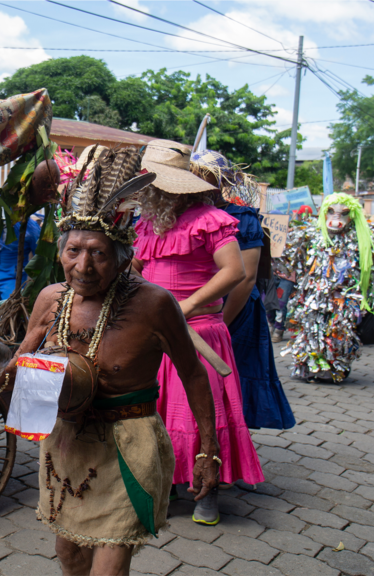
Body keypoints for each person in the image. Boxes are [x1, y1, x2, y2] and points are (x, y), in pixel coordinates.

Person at [0, 144, 220, 576]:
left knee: (109, 568)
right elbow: (19, 363)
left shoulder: (154, 305)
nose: (83, 266)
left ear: (122, 257)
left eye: (97, 253)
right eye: (73, 251)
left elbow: (193, 374)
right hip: (67, 449)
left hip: (127, 448)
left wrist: (209, 451)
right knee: (70, 557)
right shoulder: (50, 299)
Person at [134, 141, 264, 526]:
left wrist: (184, 308)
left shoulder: (211, 219)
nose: (147, 191)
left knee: (200, 413)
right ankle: (173, 482)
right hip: (158, 332)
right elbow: (137, 270)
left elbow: (234, 272)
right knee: (159, 411)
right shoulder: (148, 223)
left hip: (201, 333)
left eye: (153, 184)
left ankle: (208, 495)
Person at [190, 150, 295, 432]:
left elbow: (245, 278)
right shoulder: (184, 214)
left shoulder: (243, 217)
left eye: (208, 178)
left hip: (235, 310)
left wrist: (222, 323)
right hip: (197, 310)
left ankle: (229, 442)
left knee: (229, 376)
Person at [282, 194, 374, 382]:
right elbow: (290, 257)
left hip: (345, 299)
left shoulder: (363, 239)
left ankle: (333, 369)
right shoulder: (311, 234)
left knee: (338, 334)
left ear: (351, 216)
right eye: (331, 212)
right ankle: (309, 367)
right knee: (312, 331)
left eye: (343, 213)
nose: (336, 218)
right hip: (315, 296)